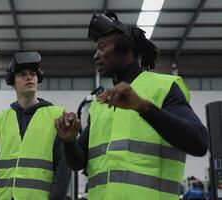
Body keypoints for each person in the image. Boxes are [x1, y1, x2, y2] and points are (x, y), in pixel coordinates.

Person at [55, 12, 208, 200]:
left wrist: (143, 108)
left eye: (102, 47)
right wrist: (68, 140)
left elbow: (199, 142)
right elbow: (78, 162)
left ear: (125, 48)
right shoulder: (100, 103)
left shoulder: (163, 87)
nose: (96, 55)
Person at [0, 52, 70, 200]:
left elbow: (62, 169)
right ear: (12, 81)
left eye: (33, 73)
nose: (29, 77)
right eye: (22, 74)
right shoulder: (1, 120)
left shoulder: (56, 116)